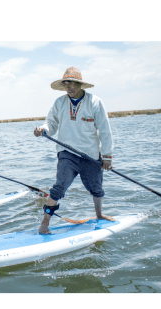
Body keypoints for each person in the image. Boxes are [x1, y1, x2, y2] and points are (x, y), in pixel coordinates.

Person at [33, 67, 114, 234]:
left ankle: (99, 214)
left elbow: (105, 130)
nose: (68, 87)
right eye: (65, 84)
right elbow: (51, 124)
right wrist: (43, 129)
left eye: (71, 84)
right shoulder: (59, 102)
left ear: (80, 84)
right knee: (59, 187)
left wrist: (107, 156)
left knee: (97, 188)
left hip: (90, 155)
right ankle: (44, 224)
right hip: (67, 153)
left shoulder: (95, 102)